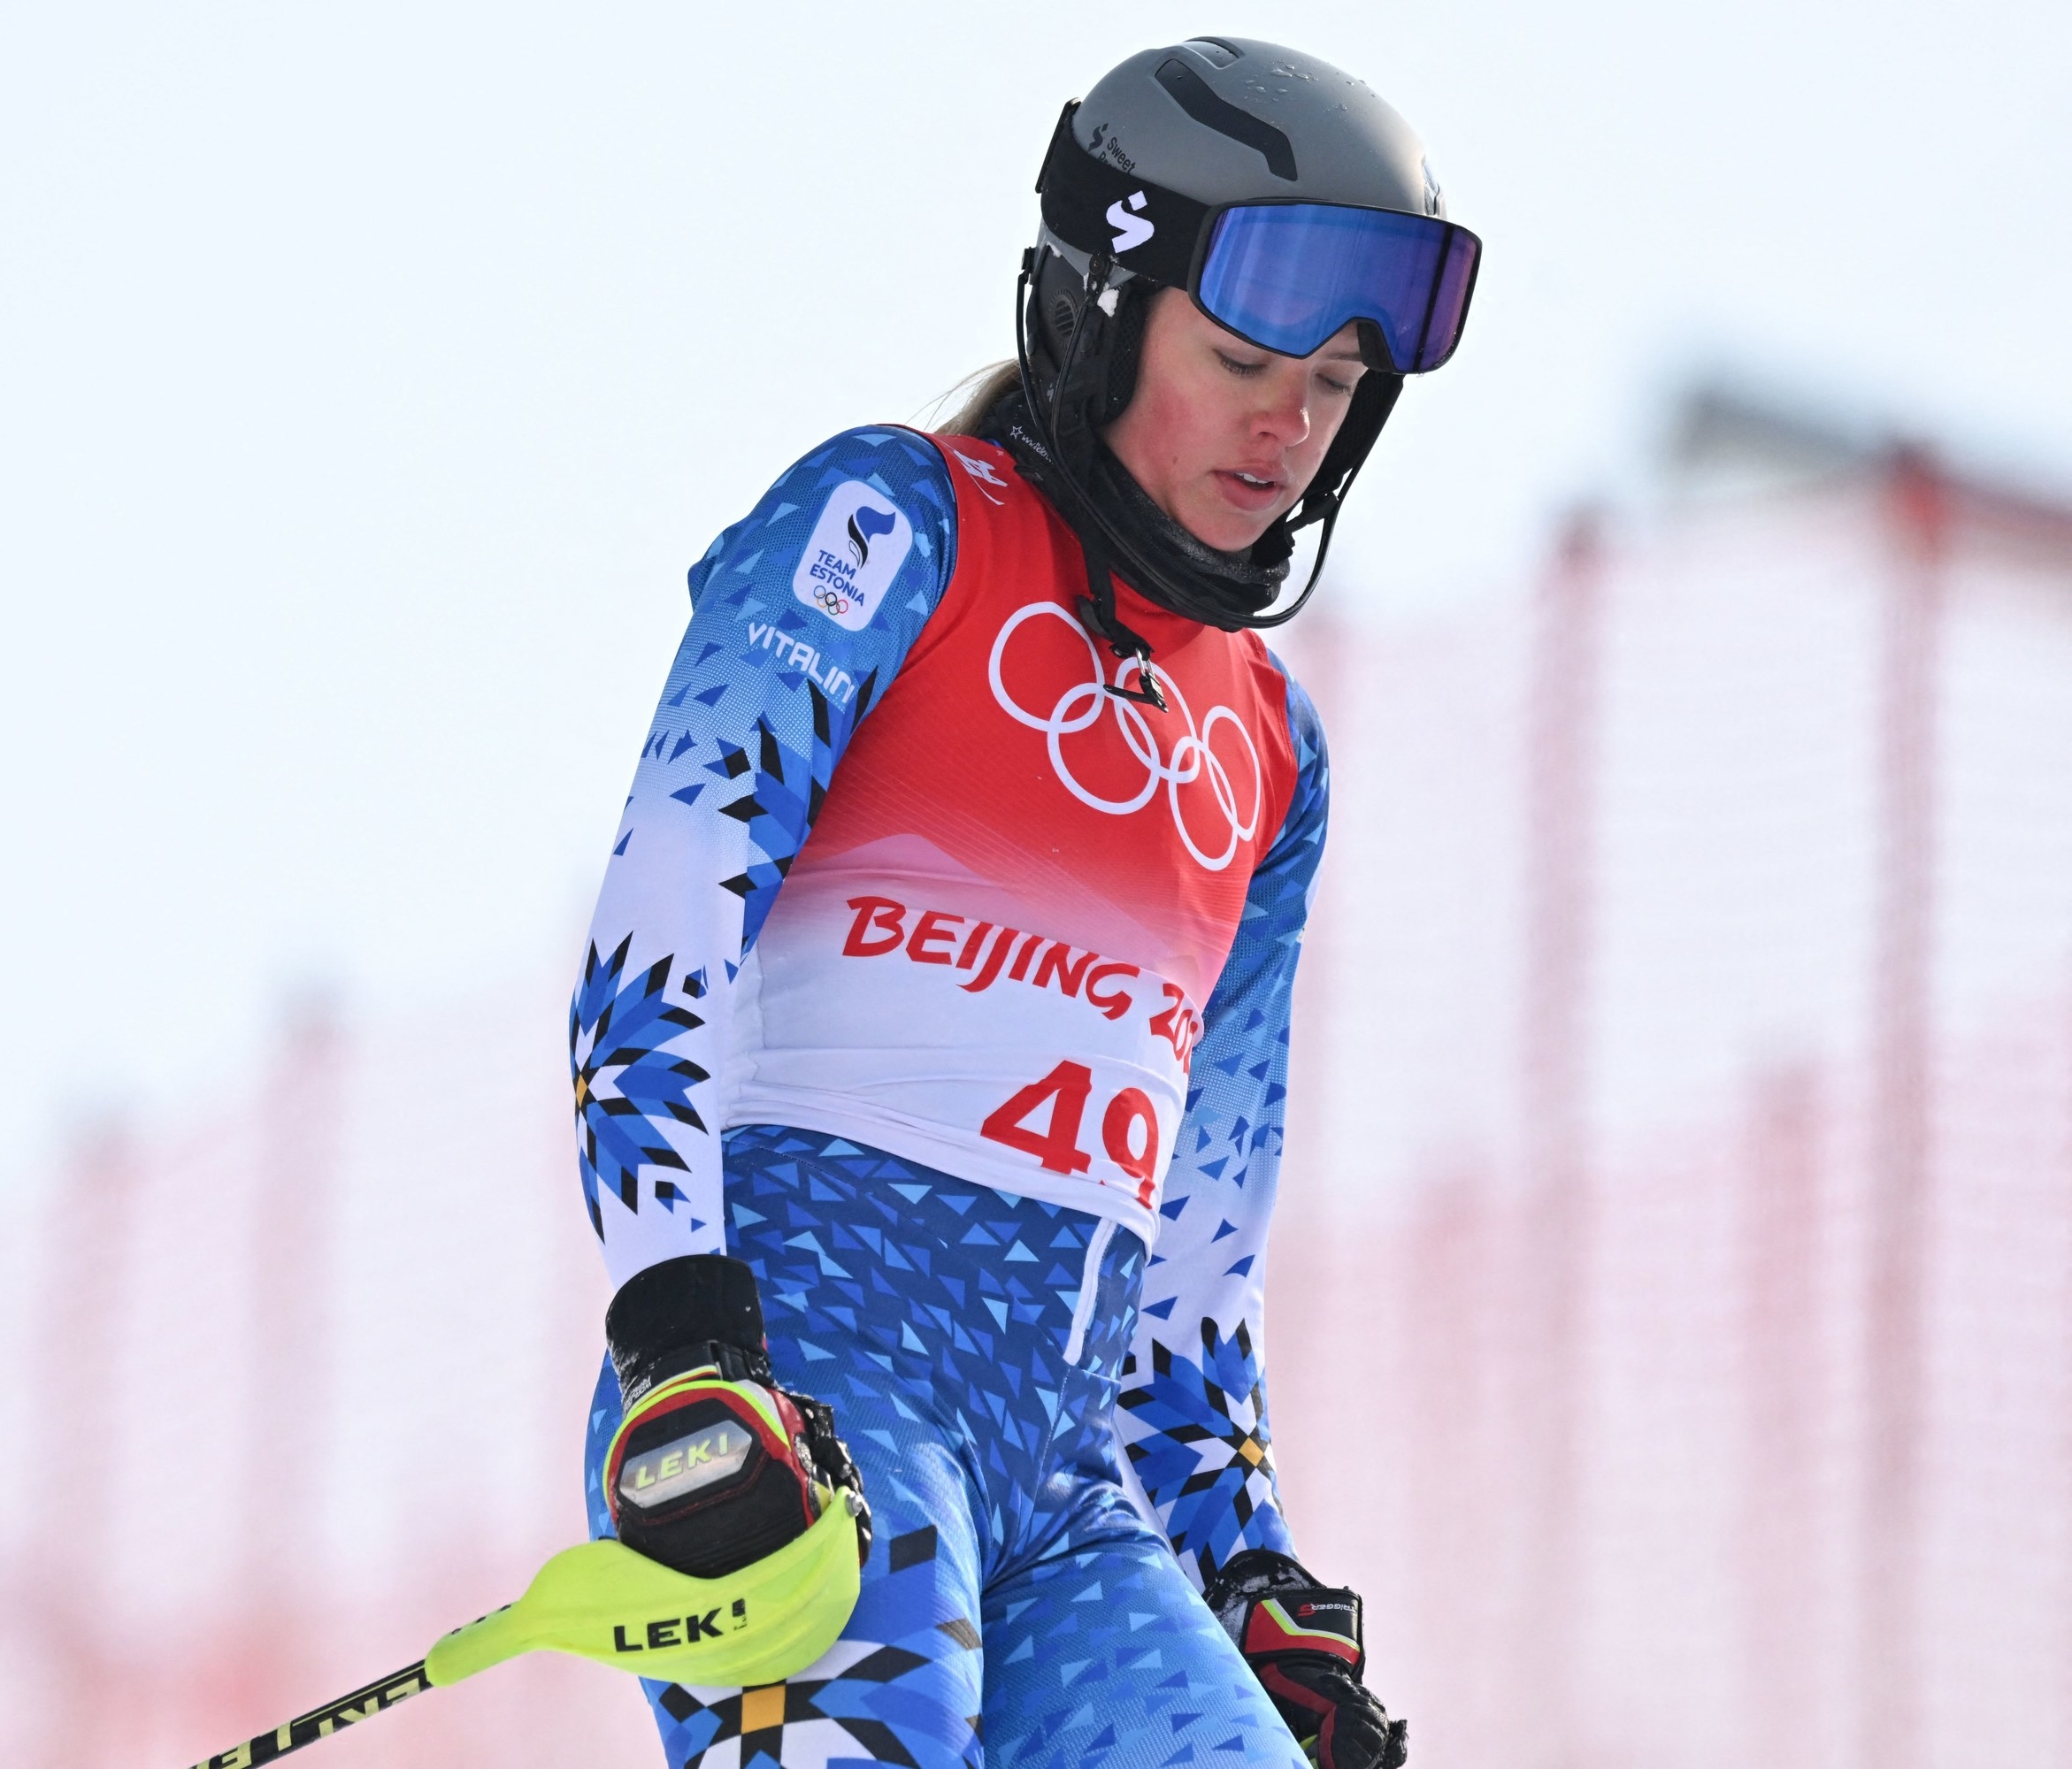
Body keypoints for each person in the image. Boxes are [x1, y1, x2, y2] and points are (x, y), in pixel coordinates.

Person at [572, 37, 1479, 1769]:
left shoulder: (1267, 744)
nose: (1293, 423)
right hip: (811, 1377)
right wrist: (683, 1335)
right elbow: (664, 921)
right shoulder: (892, 526)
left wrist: (1240, 1556)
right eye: (1241, 359)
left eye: (1344, 382)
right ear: (1101, 311)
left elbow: (1200, 1221)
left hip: (1069, 1469)